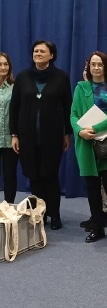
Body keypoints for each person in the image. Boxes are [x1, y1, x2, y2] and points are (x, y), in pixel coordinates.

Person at [10, 40, 72, 229]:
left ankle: (55, 215)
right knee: (34, 177)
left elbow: (67, 107)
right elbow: (14, 107)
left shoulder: (61, 77)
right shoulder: (23, 77)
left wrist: (67, 133)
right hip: (27, 137)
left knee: (50, 176)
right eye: (35, 51)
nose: (37, 54)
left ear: (51, 55)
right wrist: (14, 134)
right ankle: (40, 215)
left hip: (53, 137)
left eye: (42, 51)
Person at [70, 51, 107, 244]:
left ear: (105, 67)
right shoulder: (81, 87)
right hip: (86, 145)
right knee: (92, 190)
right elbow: (73, 115)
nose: (96, 68)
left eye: (99, 64)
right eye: (92, 64)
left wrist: (95, 128)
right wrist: (80, 132)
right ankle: (97, 228)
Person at [79, 60, 107, 231]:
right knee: (92, 182)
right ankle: (96, 215)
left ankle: (102, 215)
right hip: (88, 137)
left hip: (104, 136)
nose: (89, 71)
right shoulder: (83, 89)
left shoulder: (106, 88)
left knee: (104, 183)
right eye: (87, 68)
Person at [0, 52, 19, 203]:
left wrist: (16, 135)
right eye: (0, 64)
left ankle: (8, 208)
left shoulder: (15, 88)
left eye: (5, 64)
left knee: (10, 176)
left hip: (10, 140)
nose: (3, 67)